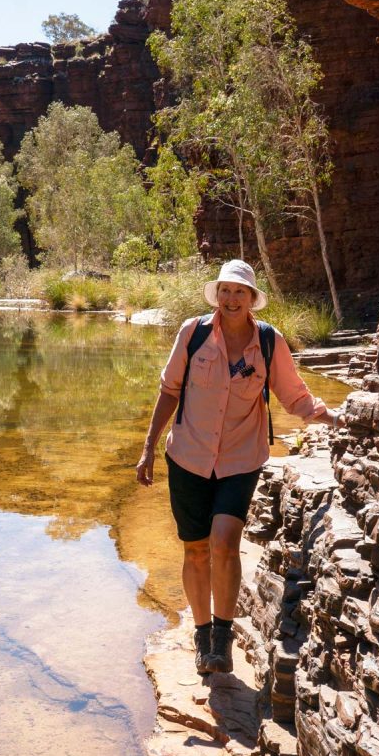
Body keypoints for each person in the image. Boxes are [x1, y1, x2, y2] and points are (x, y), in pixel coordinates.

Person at [136, 259, 336, 676]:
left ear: (251, 300)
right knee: (195, 549)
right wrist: (148, 448)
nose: (231, 299)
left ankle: (222, 641)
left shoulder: (268, 341)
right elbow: (169, 390)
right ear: (218, 294)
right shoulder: (192, 334)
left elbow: (294, 396)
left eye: (239, 292)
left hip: (240, 460)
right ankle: (202, 634)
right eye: (225, 290)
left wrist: (336, 417)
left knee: (225, 541)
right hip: (187, 456)